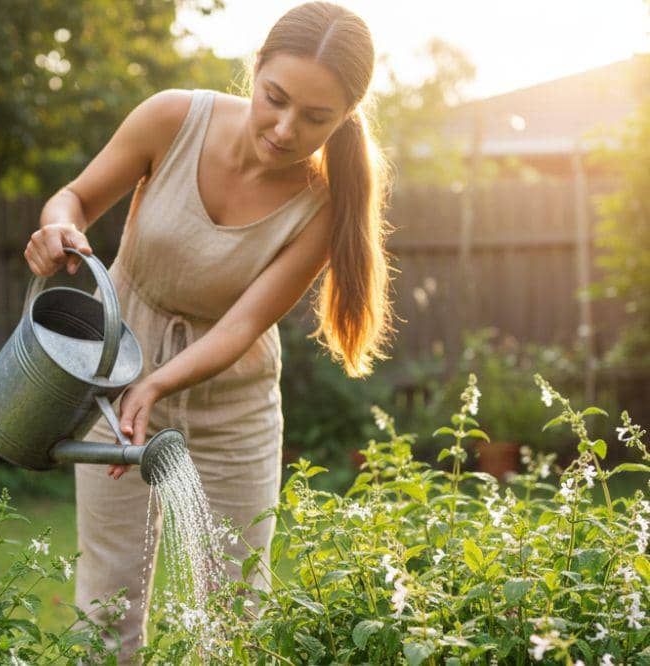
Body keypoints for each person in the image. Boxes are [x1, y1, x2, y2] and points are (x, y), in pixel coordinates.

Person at [23, 1, 394, 661]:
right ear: (256, 67)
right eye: (274, 98)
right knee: (106, 606)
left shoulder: (324, 203)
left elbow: (243, 324)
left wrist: (159, 384)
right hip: (115, 376)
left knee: (235, 616)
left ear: (346, 116)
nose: (285, 129)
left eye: (316, 118)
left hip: (234, 406)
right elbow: (74, 198)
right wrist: (58, 225)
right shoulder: (173, 118)